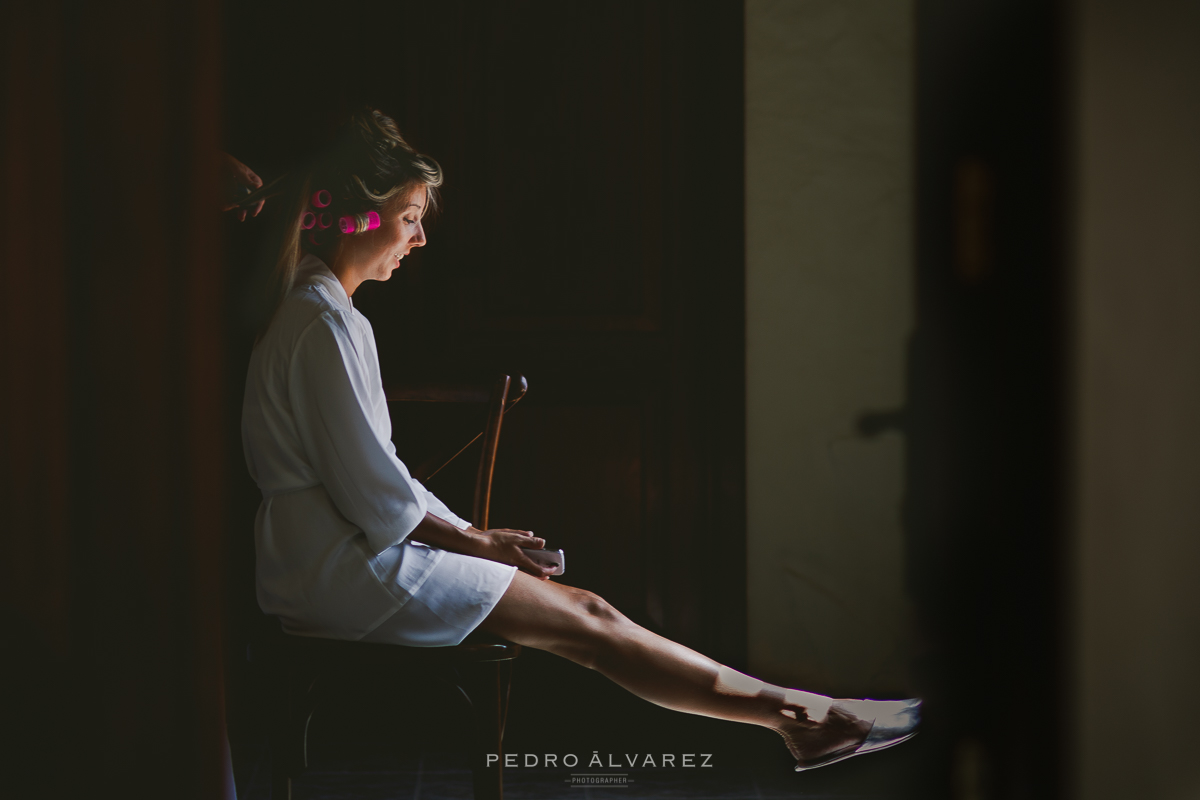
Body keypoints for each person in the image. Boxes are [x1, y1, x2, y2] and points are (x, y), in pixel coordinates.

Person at [240, 108, 919, 772]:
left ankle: (805, 717)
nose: (420, 240)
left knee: (592, 616)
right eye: (412, 218)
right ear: (357, 216)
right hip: (338, 568)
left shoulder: (329, 315)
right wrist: (476, 541)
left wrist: (474, 533)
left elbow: (377, 483)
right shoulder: (320, 325)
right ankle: (809, 719)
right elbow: (371, 495)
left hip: (340, 552)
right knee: (592, 619)